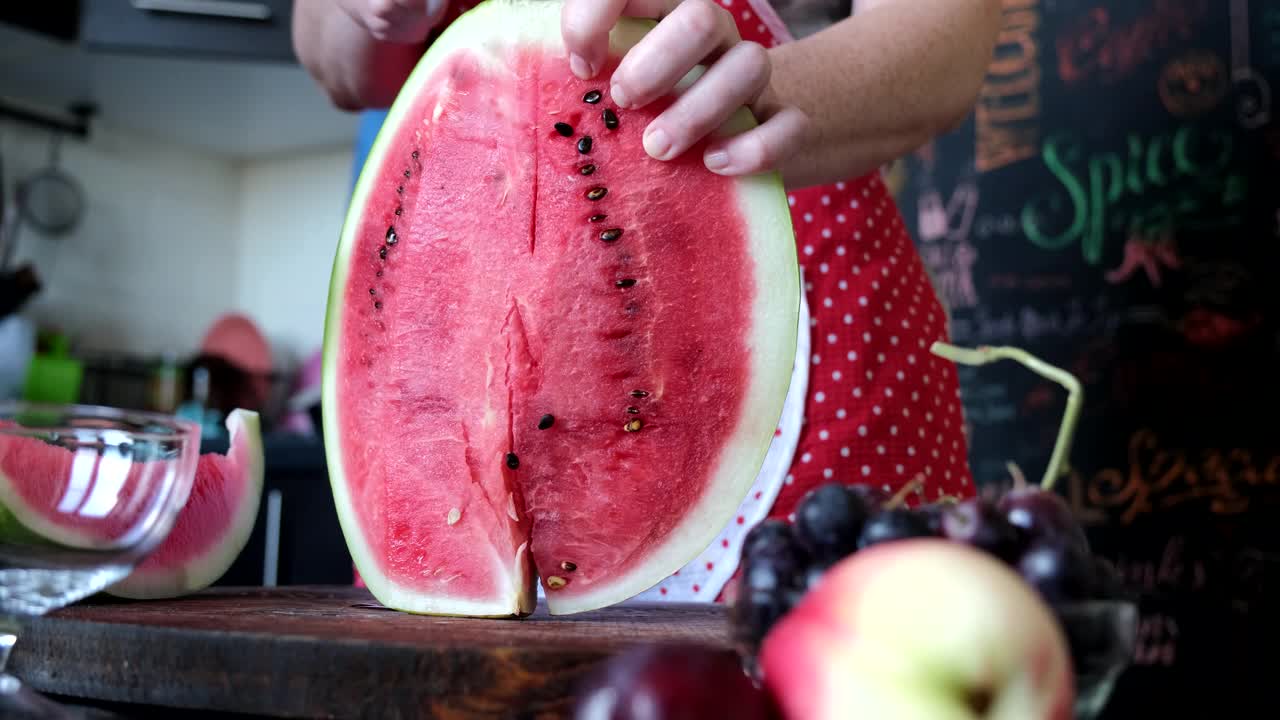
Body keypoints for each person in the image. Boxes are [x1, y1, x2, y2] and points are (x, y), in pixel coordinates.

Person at [293, 0, 1002, 601]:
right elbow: (337, 64)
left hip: (817, 296)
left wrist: (747, 98)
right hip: (466, 285)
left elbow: (944, 43)